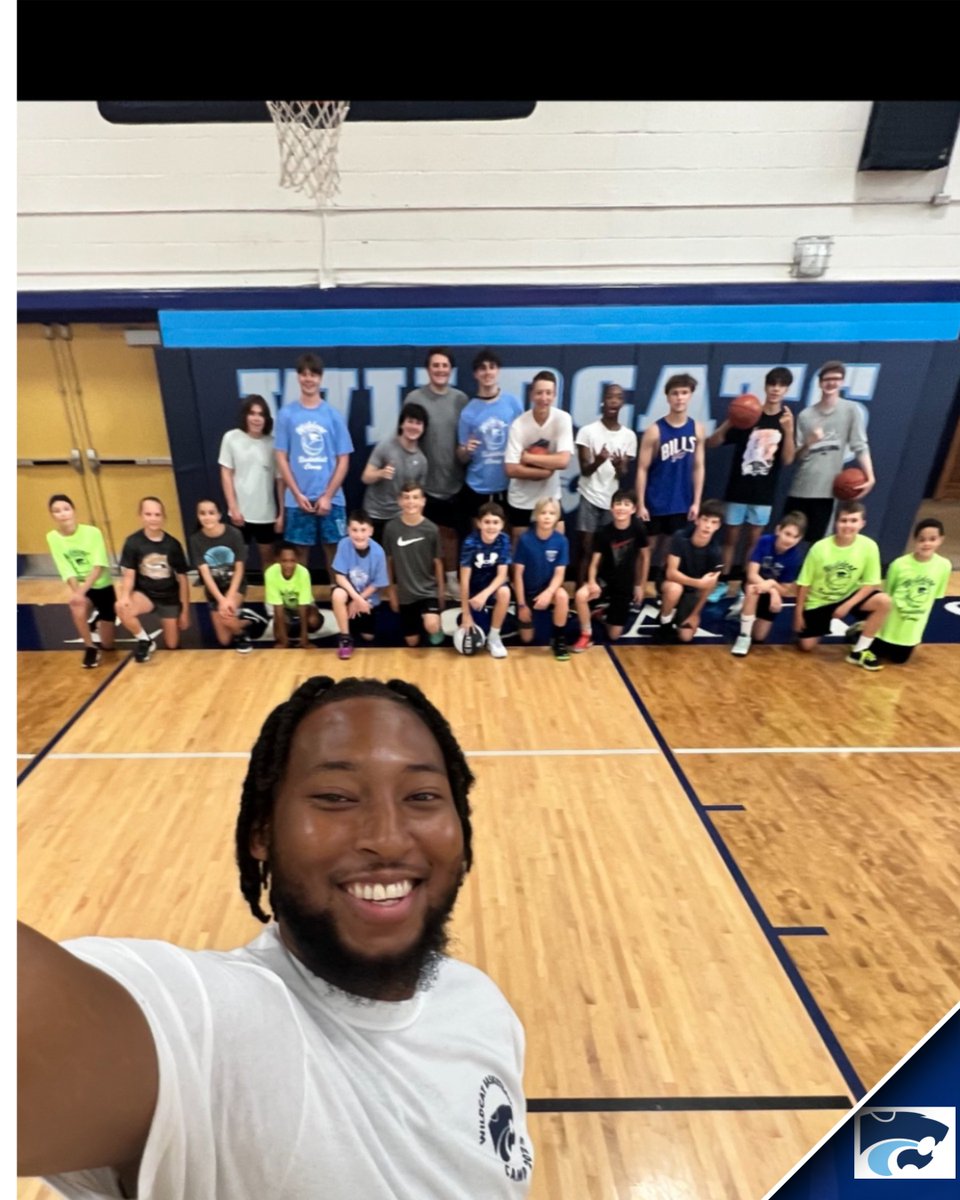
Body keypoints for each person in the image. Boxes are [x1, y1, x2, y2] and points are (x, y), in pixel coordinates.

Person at [18, 676, 534, 1198]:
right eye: (336, 797)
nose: (387, 838)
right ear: (260, 833)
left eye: (422, 796)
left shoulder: (482, 1007)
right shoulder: (215, 1026)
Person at [706, 368, 796, 607]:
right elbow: (711, 442)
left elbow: (788, 459)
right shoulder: (749, 414)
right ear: (766, 386)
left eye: (782, 385)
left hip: (763, 493)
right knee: (730, 538)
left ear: (787, 389)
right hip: (738, 488)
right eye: (772, 384)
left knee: (754, 543)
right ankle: (723, 581)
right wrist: (731, 421)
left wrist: (788, 431)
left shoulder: (786, 420)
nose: (776, 388)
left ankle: (748, 585)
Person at [274, 352, 354, 575]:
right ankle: (303, 605)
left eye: (313, 374)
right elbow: (281, 457)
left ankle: (337, 599)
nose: (309, 379)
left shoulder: (332, 415)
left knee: (336, 553)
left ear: (321, 378)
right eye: (304, 374)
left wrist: (328, 495)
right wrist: (297, 494)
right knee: (297, 557)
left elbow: (343, 459)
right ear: (298, 377)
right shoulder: (286, 414)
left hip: (332, 499)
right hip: (297, 500)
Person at [784, 360, 876, 545]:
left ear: (842, 382)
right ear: (820, 382)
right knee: (789, 539)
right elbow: (796, 457)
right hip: (801, 487)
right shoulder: (805, 415)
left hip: (826, 491)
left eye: (836, 379)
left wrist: (870, 476)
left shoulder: (850, 410)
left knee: (819, 543)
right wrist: (809, 442)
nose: (831, 383)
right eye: (827, 379)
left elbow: (860, 445)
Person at [793, 500, 892, 670]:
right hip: (819, 601)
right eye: (843, 520)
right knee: (806, 646)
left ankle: (859, 651)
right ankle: (855, 627)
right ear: (836, 523)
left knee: (884, 601)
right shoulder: (819, 548)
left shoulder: (869, 546)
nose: (848, 525)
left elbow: (872, 583)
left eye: (853, 521)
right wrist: (798, 613)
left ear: (862, 524)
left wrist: (847, 605)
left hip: (849, 595)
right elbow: (804, 583)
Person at [404, 348, 469, 596]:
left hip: (454, 480)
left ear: (450, 369)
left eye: (444, 365)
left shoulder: (460, 399)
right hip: (421, 483)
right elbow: (406, 436)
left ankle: (451, 580)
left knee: (450, 534)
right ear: (428, 369)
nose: (440, 369)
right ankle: (426, 581)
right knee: (422, 535)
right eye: (435, 365)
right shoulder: (414, 398)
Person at [850, 518, 951, 666]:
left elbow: (935, 596)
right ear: (915, 540)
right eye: (922, 539)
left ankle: (865, 626)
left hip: (911, 630)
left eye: (932, 539)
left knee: (899, 660)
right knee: (877, 654)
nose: (927, 544)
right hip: (887, 628)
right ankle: (863, 629)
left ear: (941, 540)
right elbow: (888, 597)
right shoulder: (898, 565)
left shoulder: (944, 566)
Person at [635, 373, 706, 580]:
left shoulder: (697, 429)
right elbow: (641, 469)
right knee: (647, 547)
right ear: (667, 397)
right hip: (655, 499)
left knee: (671, 547)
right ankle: (640, 587)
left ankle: (660, 584)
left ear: (691, 396)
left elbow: (699, 467)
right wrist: (641, 503)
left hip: (682, 500)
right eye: (675, 393)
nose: (680, 398)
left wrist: (696, 502)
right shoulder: (655, 431)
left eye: (684, 393)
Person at [575, 383, 638, 584]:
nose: (613, 401)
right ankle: (579, 593)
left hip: (611, 501)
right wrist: (599, 461)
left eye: (618, 397)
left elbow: (622, 474)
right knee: (586, 548)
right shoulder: (587, 431)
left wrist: (619, 466)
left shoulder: (629, 436)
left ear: (622, 403)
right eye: (610, 397)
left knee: (606, 550)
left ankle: (600, 592)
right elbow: (585, 470)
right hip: (589, 496)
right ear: (603, 401)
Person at [572, 489, 650, 652]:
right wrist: (592, 582)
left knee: (614, 635)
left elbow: (645, 557)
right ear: (611, 508)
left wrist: (640, 585)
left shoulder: (638, 529)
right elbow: (594, 563)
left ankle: (602, 613)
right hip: (605, 581)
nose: (621, 508)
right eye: (618, 504)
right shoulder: (604, 532)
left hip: (625, 585)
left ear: (634, 509)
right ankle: (586, 635)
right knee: (581, 595)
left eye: (626, 504)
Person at [45, 494, 116, 669]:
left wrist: (81, 591)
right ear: (52, 515)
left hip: (102, 585)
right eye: (57, 511)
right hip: (81, 588)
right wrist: (78, 593)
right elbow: (65, 568)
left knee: (108, 645)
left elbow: (98, 566)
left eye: (66, 509)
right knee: (76, 604)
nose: (62, 514)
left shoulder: (92, 532)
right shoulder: (53, 537)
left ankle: (97, 619)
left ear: (74, 511)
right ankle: (90, 647)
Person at [117, 497, 190, 663]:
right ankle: (145, 640)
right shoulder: (133, 542)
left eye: (157, 514)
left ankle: (168, 620)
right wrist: (125, 596)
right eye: (148, 514)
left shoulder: (173, 545)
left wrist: (185, 611)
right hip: (145, 595)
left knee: (172, 645)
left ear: (163, 517)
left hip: (169, 598)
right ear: (141, 516)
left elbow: (183, 579)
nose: (153, 518)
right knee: (121, 607)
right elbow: (129, 574)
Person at [504, 370, 574, 540]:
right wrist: (545, 471)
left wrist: (529, 458)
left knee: (557, 546)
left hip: (550, 497)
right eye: (539, 393)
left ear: (555, 394)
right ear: (531, 395)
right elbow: (511, 469)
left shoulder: (563, 419)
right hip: (521, 499)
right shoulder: (519, 425)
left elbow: (563, 461)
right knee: (518, 552)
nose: (544, 398)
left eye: (548, 393)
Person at [189, 498, 266, 654]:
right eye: (202, 513)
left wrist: (229, 597)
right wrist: (221, 599)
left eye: (211, 513)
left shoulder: (233, 534)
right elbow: (205, 574)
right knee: (224, 640)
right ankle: (247, 621)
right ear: (198, 516)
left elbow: (239, 568)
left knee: (227, 616)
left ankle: (241, 635)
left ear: (219, 515)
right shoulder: (195, 539)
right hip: (215, 592)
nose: (207, 517)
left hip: (235, 587)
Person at [218, 395, 284, 574]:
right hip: (240, 514)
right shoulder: (231, 438)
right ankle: (236, 597)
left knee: (269, 560)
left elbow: (280, 480)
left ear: (266, 419)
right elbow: (226, 473)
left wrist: (281, 514)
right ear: (245, 416)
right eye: (252, 413)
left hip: (266, 514)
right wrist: (233, 507)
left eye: (261, 414)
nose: (256, 418)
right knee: (237, 561)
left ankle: (271, 601)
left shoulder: (273, 444)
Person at [457, 349, 523, 524]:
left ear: (498, 371)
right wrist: (465, 450)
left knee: (506, 537)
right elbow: (461, 456)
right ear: (476, 374)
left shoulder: (513, 403)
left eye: (492, 367)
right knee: (477, 538)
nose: (487, 372)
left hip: (508, 484)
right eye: (482, 368)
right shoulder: (468, 411)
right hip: (477, 485)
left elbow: (524, 440)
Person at [730, 512, 808, 657]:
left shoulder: (795, 557)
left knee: (759, 637)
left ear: (800, 539)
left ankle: (746, 613)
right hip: (756, 585)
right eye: (787, 534)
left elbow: (785, 590)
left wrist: (772, 587)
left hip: (773, 594)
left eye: (795, 537)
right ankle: (743, 637)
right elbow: (752, 574)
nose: (789, 540)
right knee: (752, 589)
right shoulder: (765, 541)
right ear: (778, 530)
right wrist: (772, 588)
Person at [383, 483, 446, 648]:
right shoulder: (391, 528)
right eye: (406, 497)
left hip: (428, 591)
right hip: (405, 594)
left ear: (423, 501)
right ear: (399, 501)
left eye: (415, 497)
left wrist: (440, 592)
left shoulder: (431, 529)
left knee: (431, 625)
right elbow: (388, 562)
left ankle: (433, 625)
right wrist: (392, 592)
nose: (411, 502)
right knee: (412, 642)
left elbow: (438, 562)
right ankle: (420, 621)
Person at [361, 401, 430, 545]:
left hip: (400, 516)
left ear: (423, 428)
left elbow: (419, 498)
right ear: (401, 424)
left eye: (418, 423)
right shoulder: (386, 446)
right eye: (410, 421)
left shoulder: (422, 461)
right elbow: (366, 477)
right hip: (375, 514)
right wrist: (380, 473)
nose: (413, 426)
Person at [657, 500, 725, 644]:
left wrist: (695, 614)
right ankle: (665, 622)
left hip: (691, 591)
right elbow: (671, 573)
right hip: (670, 583)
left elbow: (709, 587)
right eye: (705, 520)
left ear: (718, 526)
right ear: (697, 520)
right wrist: (698, 583)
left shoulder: (716, 552)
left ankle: (678, 612)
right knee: (675, 589)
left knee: (685, 637)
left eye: (713, 522)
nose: (708, 526)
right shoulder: (680, 537)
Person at [512, 497, 571, 660]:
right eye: (543, 513)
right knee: (526, 639)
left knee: (562, 596)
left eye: (551, 513)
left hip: (549, 590)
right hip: (528, 592)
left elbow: (560, 573)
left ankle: (559, 639)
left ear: (556, 517)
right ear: (536, 515)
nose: (547, 517)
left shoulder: (561, 541)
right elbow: (517, 574)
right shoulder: (525, 539)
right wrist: (522, 604)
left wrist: (548, 592)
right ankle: (523, 614)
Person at [330, 511, 390, 660]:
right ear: (348, 530)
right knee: (337, 594)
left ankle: (352, 623)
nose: (359, 535)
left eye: (363, 530)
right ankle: (345, 638)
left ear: (371, 531)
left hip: (367, 598)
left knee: (368, 637)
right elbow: (339, 576)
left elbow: (377, 583)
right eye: (354, 530)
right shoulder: (343, 544)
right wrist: (355, 599)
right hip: (351, 594)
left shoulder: (378, 552)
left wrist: (359, 601)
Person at [458, 501, 512, 660]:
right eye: (487, 522)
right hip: (474, 589)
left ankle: (494, 638)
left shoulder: (504, 540)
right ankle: (471, 618)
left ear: (502, 524)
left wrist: (485, 594)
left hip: (491, 587)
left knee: (505, 591)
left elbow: (502, 575)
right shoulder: (470, 543)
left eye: (496, 522)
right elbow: (464, 580)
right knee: (476, 629)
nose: (491, 526)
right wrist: (466, 613)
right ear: (479, 523)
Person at [264, 543, 321, 649]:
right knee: (278, 635)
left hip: (304, 608)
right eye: (284, 561)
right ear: (277, 560)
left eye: (292, 561)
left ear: (297, 560)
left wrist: (304, 638)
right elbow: (278, 608)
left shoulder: (303, 573)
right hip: (285, 609)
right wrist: (284, 641)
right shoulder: (270, 573)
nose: (288, 565)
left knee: (313, 621)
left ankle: (301, 629)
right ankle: (289, 630)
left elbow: (303, 605)